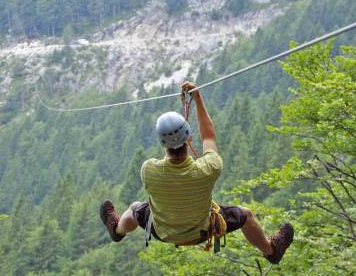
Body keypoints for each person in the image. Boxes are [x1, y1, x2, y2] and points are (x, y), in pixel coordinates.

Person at [100, 82, 293, 264]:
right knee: (246, 215)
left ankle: (117, 230)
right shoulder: (208, 168)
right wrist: (198, 99)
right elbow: (208, 135)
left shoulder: (148, 170)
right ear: (189, 137)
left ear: (162, 143)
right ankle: (271, 251)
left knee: (135, 208)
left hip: (163, 232)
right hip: (202, 231)